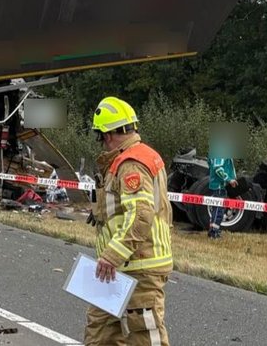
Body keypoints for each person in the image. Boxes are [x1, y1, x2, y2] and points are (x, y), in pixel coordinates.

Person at [86, 96, 172, 346]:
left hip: (138, 266)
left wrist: (112, 255)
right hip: (116, 268)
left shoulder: (131, 164)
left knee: (144, 337)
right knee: (100, 333)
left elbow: (141, 216)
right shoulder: (131, 159)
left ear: (107, 135)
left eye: (101, 137)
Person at [207, 133, 238, 240]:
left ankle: (213, 230)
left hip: (217, 184)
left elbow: (211, 165)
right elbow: (218, 168)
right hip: (220, 186)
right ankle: (214, 233)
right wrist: (229, 179)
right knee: (218, 210)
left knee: (216, 209)